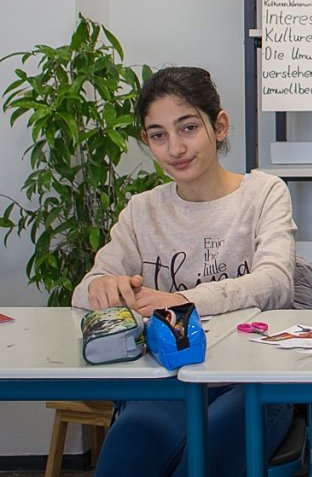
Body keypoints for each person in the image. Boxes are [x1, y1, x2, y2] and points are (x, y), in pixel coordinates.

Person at [71, 66, 296, 477]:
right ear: (147, 141)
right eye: (158, 135)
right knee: (123, 459)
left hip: (252, 381)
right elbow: (85, 289)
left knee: (204, 460)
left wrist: (183, 300)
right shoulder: (142, 211)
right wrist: (106, 287)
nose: (175, 147)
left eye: (188, 127)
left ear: (220, 125)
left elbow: (276, 284)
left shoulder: (263, 193)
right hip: (164, 382)